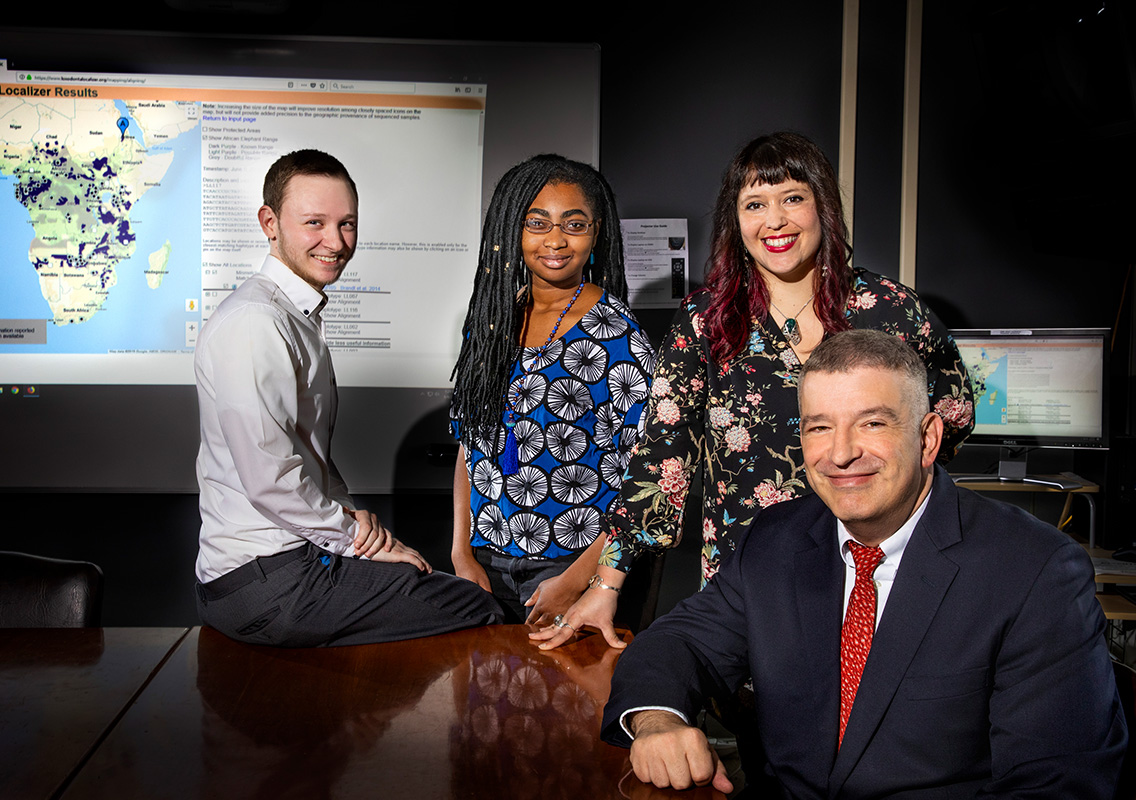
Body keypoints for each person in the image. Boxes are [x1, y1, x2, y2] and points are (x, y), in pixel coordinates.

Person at [602, 329, 1126, 797]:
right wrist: (656, 722)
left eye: (872, 422)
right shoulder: (777, 539)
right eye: (819, 428)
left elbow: (1058, 784)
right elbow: (680, 642)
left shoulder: (1035, 570)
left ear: (928, 439)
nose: (841, 453)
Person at [533, 131, 975, 650]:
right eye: (755, 204)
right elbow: (661, 460)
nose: (775, 221)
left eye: (793, 198)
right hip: (750, 577)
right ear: (735, 221)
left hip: (877, 569)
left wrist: (890, 496)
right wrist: (608, 582)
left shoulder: (890, 310)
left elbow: (952, 415)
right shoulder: (707, 321)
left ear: (823, 206)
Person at [194, 149, 503, 646]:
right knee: (478, 606)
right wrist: (358, 543)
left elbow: (303, 453)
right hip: (268, 581)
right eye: (314, 222)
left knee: (425, 580)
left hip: (285, 566)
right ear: (269, 223)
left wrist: (354, 521)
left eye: (347, 224)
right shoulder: (256, 323)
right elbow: (270, 479)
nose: (335, 242)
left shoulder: (294, 315)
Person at [449, 155, 653, 623]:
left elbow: (642, 479)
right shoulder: (491, 321)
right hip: (485, 567)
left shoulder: (619, 336)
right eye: (537, 223)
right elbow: (470, 445)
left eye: (574, 224)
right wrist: (461, 552)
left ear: (597, 232)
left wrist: (578, 581)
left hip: (571, 566)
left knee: (565, 696)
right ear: (510, 230)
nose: (555, 240)